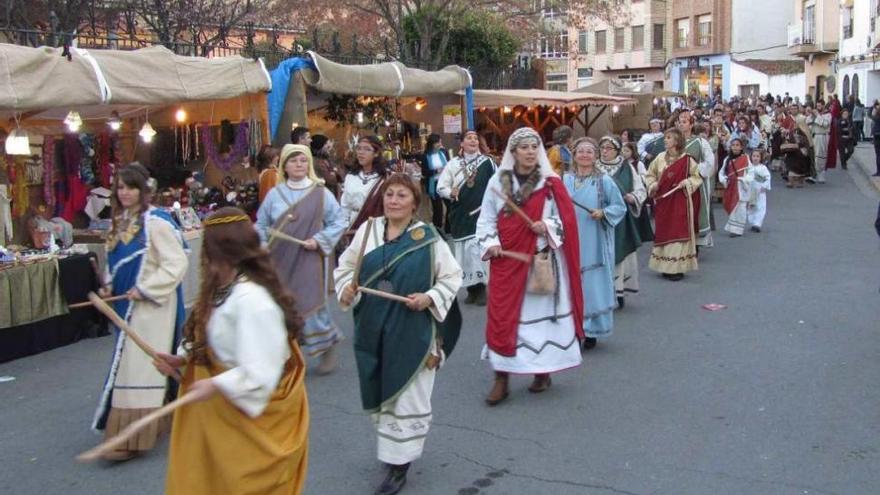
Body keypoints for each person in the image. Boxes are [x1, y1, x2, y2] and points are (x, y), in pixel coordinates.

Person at [157, 207, 308, 494]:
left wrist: (216, 384)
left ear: (221, 251)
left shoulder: (253, 301)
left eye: (207, 247)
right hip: (218, 415)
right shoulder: (219, 287)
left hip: (247, 424)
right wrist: (183, 356)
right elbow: (210, 332)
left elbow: (263, 371)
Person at [334, 174, 463, 495]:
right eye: (389, 194)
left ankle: (399, 467)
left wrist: (429, 297)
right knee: (381, 390)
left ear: (414, 204)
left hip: (413, 330)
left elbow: (452, 276)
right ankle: (393, 453)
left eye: (402, 195)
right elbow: (345, 268)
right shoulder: (368, 231)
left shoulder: (428, 237)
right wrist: (346, 291)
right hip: (372, 327)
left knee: (408, 397)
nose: (393, 200)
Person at [475, 127, 584, 406]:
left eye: (534, 147)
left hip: (539, 260)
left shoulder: (550, 183)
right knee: (501, 319)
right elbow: (486, 218)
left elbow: (567, 222)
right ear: (513, 152)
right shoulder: (498, 182)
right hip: (506, 261)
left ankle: (541, 371)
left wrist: (545, 226)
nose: (530, 151)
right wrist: (491, 243)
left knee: (541, 321)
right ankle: (502, 378)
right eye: (524, 147)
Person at [93, 163, 188, 461]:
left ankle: (135, 437)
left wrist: (146, 288)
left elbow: (176, 262)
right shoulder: (119, 223)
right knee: (134, 365)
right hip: (126, 305)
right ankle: (160, 419)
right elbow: (114, 262)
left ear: (144, 190)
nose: (124, 193)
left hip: (153, 307)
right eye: (120, 187)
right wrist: (108, 285)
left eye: (130, 187)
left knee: (141, 366)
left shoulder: (156, 221)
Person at [255, 144, 347, 374]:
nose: (299, 165)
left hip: (309, 259)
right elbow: (261, 224)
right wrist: (263, 245)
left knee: (309, 305)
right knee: (281, 306)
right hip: (279, 258)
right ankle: (286, 356)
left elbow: (339, 221)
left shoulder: (320, 193)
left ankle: (327, 345)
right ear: (284, 165)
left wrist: (319, 240)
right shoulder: (275, 195)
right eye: (293, 161)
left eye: (303, 160)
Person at [563, 138, 626, 349]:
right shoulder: (565, 180)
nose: (584, 155)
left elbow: (619, 206)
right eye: (580, 151)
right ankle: (571, 327)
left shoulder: (604, 181)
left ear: (595, 155)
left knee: (591, 284)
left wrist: (604, 212)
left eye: (589, 151)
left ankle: (590, 330)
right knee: (571, 281)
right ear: (574, 155)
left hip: (595, 239)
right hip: (570, 239)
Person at [436, 129, 496, 305]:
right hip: (460, 214)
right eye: (469, 138)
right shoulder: (453, 164)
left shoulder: (488, 163)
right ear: (461, 143)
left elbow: (498, 184)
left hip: (482, 213)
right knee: (465, 254)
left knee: (478, 251)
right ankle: (472, 289)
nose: (473, 141)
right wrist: (451, 192)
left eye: (476, 138)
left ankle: (482, 288)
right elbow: (441, 187)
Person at [644, 129, 702, 281]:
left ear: (677, 141)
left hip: (680, 201)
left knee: (678, 232)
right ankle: (664, 266)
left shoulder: (688, 160)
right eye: (665, 137)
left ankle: (676, 269)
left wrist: (688, 182)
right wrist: (653, 185)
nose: (665, 140)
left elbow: (698, 177)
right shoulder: (660, 158)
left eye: (668, 138)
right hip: (664, 201)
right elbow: (649, 175)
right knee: (665, 231)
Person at [596, 136, 645, 308]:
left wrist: (633, 197)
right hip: (599, 219)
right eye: (602, 147)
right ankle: (603, 292)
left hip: (622, 220)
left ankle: (619, 290)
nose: (605, 151)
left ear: (617, 150)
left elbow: (640, 189)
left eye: (609, 148)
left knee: (620, 253)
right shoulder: (594, 167)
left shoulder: (627, 167)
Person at [678, 110, 715, 249]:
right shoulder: (674, 142)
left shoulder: (700, 142)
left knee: (696, 211)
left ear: (691, 124)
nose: (681, 125)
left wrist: (695, 170)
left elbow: (710, 161)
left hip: (696, 184)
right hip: (678, 184)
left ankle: (696, 244)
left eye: (685, 122)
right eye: (680, 122)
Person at [340, 135, 389, 231]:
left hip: (375, 226)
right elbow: (345, 205)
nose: (361, 152)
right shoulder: (351, 177)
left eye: (367, 149)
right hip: (353, 225)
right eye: (359, 148)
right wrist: (344, 226)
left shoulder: (384, 178)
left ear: (376, 153)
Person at [622, 142, 654, 244]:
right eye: (623, 150)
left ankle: (641, 234)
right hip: (626, 192)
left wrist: (637, 177)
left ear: (633, 152)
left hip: (636, 191)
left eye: (627, 151)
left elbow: (645, 176)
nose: (624, 153)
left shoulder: (638, 164)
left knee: (639, 215)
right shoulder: (621, 164)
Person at [718, 137, 751, 236]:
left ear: (741, 147)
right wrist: (724, 179)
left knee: (740, 208)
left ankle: (737, 230)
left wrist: (744, 179)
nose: (735, 147)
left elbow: (751, 172)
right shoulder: (727, 159)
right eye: (733, 145)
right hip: (731, 186)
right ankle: (733, 228)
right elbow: (722, 172)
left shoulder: (746, 158)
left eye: (737, 145)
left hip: (741, 187)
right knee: (732, 206)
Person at [420, 133, 450, 230]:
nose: (440, 144)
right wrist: (436, 171)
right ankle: (437, 229)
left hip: (445, 182)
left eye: (440, 142)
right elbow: (424, 172)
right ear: (432, 144)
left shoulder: (443, 152)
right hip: (434, 184)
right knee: (438, 209)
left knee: (450, 205)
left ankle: (448, 229)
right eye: (438, 142)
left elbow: (449, 165)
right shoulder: (426, 156)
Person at [781, 117, 814, 188]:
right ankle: (790, 181)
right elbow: (788, 139)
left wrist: (799, 144)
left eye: (796, 122)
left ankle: (800, 181)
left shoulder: (805, 132)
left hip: (802, 154)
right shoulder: (792, 131)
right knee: (790, 165)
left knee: (800, 167)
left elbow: (807, 144)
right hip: (792, 152)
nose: (794, 124)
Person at [745, 148, 771, 232]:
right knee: (751, 207)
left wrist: (764, 186)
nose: (755, 158)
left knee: (760, 207)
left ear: (761, 158)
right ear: (751, 157)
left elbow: (767, 178)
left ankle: (757, 223)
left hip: (760, 191)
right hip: (750, 190)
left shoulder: (763, 168)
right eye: (754, 156)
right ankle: (752, 222)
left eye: (757, 156)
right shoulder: (748, 167)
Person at [807, 100, 831, 183]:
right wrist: (812, 115)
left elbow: (825, 124)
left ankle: (820, 175)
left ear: (824, 106)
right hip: (814, 136)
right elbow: (807, 122)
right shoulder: (814, 115)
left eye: (820, 106)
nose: (818, 107)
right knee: (813, 156)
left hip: (822, 137)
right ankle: (813, 174)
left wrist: (817, 115)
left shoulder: (828, 115)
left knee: (820, 156)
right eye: (817, 106)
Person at [873, 101, 880, 176]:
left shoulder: (877, 117)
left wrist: (875, 105)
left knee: (878, 154)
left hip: (877, 135)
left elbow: (870, 114)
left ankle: (878, 171)